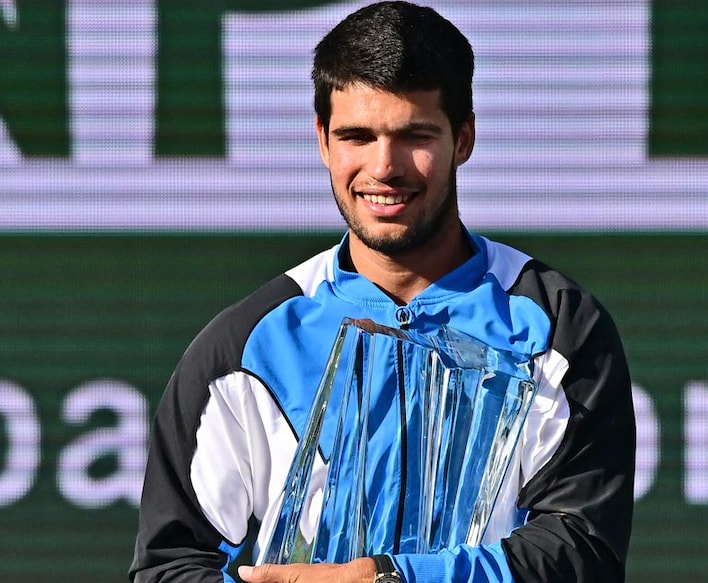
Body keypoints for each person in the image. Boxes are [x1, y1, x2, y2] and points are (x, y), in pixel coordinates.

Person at [129, 2, 635, 582]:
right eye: (356, 136)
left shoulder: (558, 326)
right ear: (323, 141)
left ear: (464, 138)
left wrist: (389, 577)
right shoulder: (249, 346)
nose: (383, 167)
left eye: (414, 135)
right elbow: (169, 565)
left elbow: (583, 553)